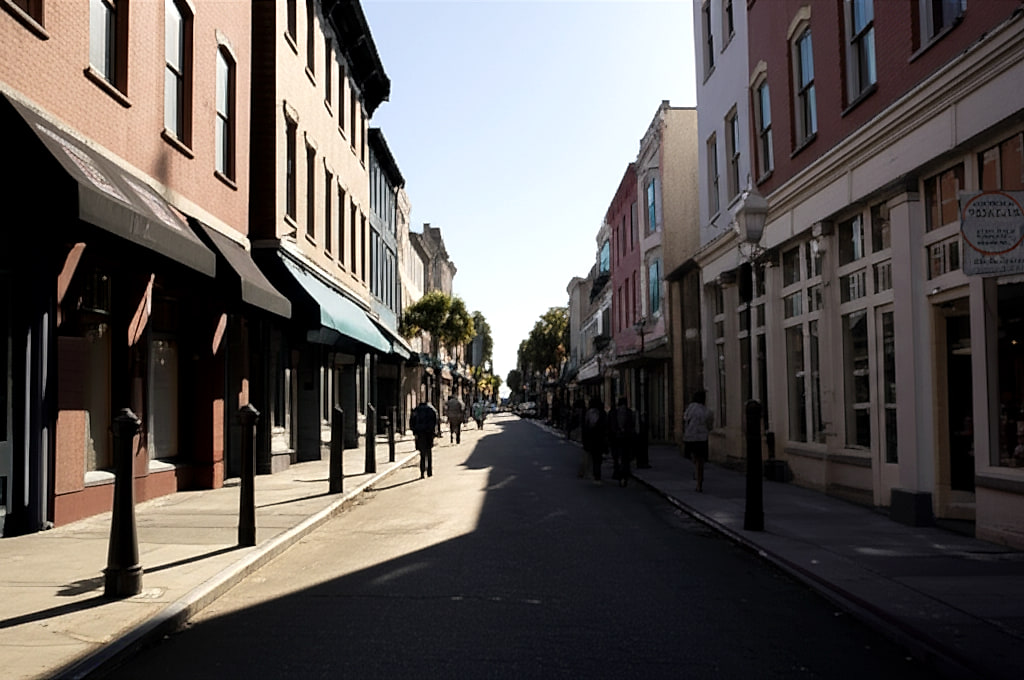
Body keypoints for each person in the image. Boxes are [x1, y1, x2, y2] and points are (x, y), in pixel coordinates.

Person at [682, 389, 714, 492]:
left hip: (690, 437)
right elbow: (710, 425)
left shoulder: (690, 408)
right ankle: (699, 482)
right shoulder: (707, 411)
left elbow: (685, 419)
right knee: (701, 460)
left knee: (694, 457)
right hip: (702, 438)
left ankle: (697, 473)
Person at [608, 396, 637, 487]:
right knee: (625, 457)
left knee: (616, 456)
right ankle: (625, 473)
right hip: (627, 438)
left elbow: (610, 426)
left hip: (616, 438)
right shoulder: (629, 412)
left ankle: (618, 472)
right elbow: (633, 425)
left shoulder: (613, 412)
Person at [581, 396, 609, 483]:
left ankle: (595, 473)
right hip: (599, 439)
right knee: (598, 457)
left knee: (593, 456)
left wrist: (584, 440)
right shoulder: (602, 413)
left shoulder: (588, 413)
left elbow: (585, 427)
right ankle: (597, 474)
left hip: (591, 439)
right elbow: (605, 427)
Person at [409, 399, 439, 479]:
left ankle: (422, 471)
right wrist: (434, 432)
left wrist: (414, 432)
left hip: (420, 433)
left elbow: (411, 422)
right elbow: (435, 421)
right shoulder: (431, 409)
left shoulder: (416, 410)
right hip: (429, 433)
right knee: (429, 452)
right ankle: (429, 471)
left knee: (422, 453)